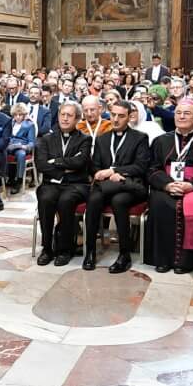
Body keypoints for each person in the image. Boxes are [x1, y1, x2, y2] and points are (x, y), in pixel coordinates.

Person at [146, 99, 193, 274]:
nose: (181, 116)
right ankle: (162, 259)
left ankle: (187, 260)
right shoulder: (161, 141)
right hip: (167, 186)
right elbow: (152, 169)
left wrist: (192, 185)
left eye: (186, 113)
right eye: (178, 113)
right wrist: (168, 185)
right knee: (160, 202)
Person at [84, 99, 150, 273]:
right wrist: (101, 173)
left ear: (129, 117)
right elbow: (95, 165)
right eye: (113, 115)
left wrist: (115, 172)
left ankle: (124, 254)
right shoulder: (102, 139)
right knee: (94, 198)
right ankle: (90, 251)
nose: (115, 119)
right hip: (107, 185)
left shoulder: (140, 138)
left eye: (121, 116)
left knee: (119, 201)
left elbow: (141, 166)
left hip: (130, 185)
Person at [34, 101, 92, 267]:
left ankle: (65, 249)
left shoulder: (84, 139)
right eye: (62, 114)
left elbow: (81, 162)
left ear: (77, 119)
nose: (65, 118)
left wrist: (56, 161)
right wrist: (66, 168)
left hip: (77, 185)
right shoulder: (46, 139)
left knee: (66, 201)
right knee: (46, 199)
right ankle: (47, 248)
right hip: (50, 183)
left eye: (70, 115)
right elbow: (41, 164)